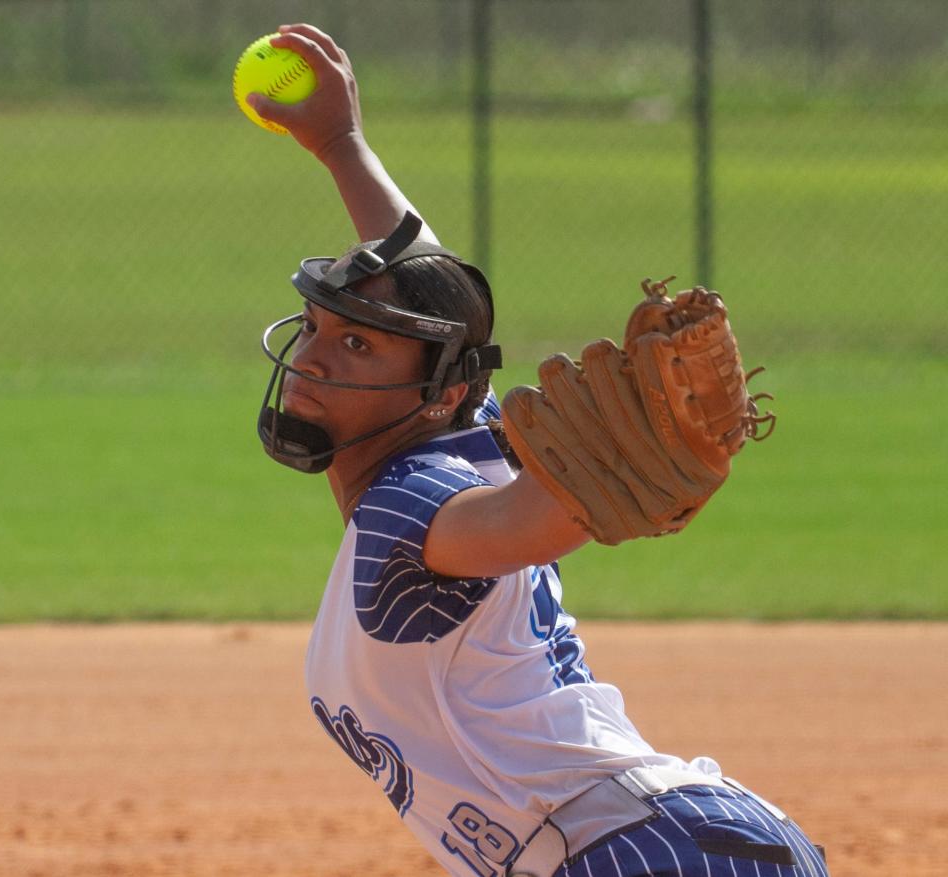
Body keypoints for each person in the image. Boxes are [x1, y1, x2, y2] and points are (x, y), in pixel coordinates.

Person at [247, 24, 829, 877]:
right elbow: (435, 299)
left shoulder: (411, 505)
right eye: (320, 328)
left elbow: (518, 521)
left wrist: (606, 486)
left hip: (647, 855)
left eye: (360, 347)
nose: (315, 356)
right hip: (674, 842)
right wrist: (341, 146)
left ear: (434, 393)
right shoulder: (464, 430)